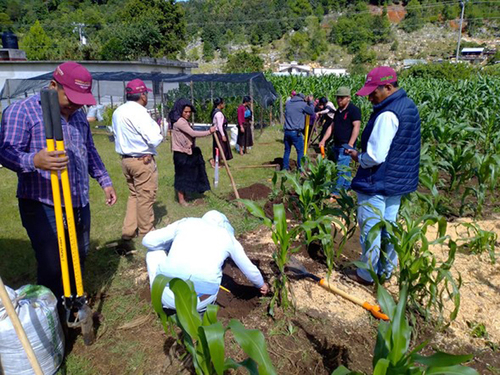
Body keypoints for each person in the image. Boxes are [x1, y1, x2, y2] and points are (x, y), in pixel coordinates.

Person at [0, 61, 117, 303]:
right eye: (71, 97)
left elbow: (90, 150)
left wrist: (105, 181)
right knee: (52, 262)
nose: (76, 104)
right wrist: (34, 160)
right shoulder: (21, 111)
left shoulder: (78, 116)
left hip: (77, 200)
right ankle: (53, 310)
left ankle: (75, 299)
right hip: (42, 203)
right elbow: (5, 151)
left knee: (79, 255)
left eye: (81, 99)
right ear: (54, 85)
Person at [344, 66, 421, 286]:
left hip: (376, 181)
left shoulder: (387, 114)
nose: (369, 97)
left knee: (371, 232)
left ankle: (366, 275)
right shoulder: (408, 106)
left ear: (388, 87)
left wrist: (358, 156)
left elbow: (376, 156)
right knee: (389, 229)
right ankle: (386, 271)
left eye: (373, 92)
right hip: (396, 183)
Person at [143, 210, 269, 312]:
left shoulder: (186, 223)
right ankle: (199, 309)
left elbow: (148, 241)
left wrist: (168, 248)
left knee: (153, 253)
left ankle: (156, 293)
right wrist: (261, 285)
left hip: (166, 297)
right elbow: (249, 268)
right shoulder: (227, 237)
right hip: (200, 302)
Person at [112, 79, 163, 240]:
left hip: (126, 160)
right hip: (142, 160)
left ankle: (128, 231)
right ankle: (146, 231)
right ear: (142, 95)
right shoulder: (139, 112)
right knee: (146, 197)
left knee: (134, 194)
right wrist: (159, 128)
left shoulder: (118, 111)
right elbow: (154, 138)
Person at [169, 98, 216, 206]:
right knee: (181, 176)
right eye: (185, 112)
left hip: (186, 151)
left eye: (189, 112)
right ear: (180, 110)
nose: (188, 114)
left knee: (189, 174)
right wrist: (209, 131)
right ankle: (181, 200)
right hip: (180, 153)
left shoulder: (182, 120)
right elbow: (193, 133)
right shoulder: (180, 121)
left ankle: (187, 194)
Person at [318, 87, 362, 195]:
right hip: (337, 143)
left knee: (340, 168)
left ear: (348, 98)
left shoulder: (354, 110)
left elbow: (356, 127)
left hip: (346, 144)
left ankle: (336, 193)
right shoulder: (338, 111)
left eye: (342, 98)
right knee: (345, 168)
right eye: (338, 98)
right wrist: (323, 140)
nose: (339, 100)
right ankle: (347, 187)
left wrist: (350, 144)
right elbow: (331, 127)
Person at [282, 93, 315, 170]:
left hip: (287, 131)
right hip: (296, 132)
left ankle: (285, 168)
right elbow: (311, 112)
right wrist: (310, 102)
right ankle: (301, 168)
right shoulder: (302, 104)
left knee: (287, 150)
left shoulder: (288, 103)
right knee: (300, 151)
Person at [211, 97, 233, 167]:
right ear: (220, 104)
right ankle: (216, 162)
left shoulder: (216, 112)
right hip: (219, 132)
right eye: (223, 103)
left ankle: (218, 162)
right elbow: (219, 125)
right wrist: (223, 135)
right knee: (221, 147)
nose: (224, 105)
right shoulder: (218, 114)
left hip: (217, 132)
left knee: (218, 147)